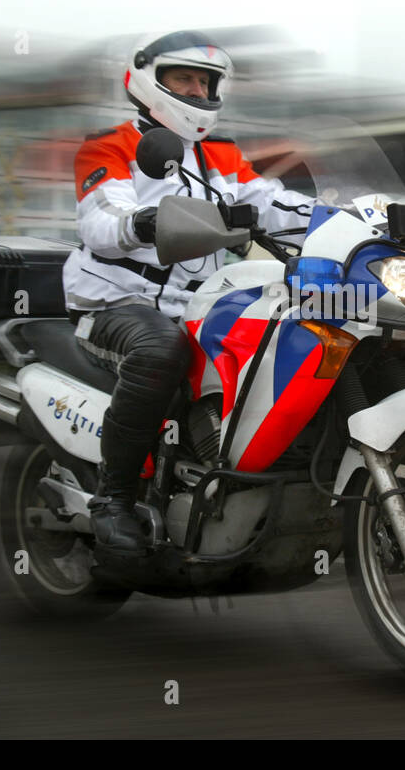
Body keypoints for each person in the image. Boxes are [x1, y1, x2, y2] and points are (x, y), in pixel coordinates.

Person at [62, 29, 316, 560]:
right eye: (185, 79)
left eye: (206, 83)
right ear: (149, 80)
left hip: (196, 301)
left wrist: (354, 217)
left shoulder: (220, 154)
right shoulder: (111, 144)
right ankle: (114, 500)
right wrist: (143, 221)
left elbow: (271, 203)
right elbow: (101, 219)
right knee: (161, 352)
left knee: (285, 336)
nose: (198, 93)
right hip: (116, 300)